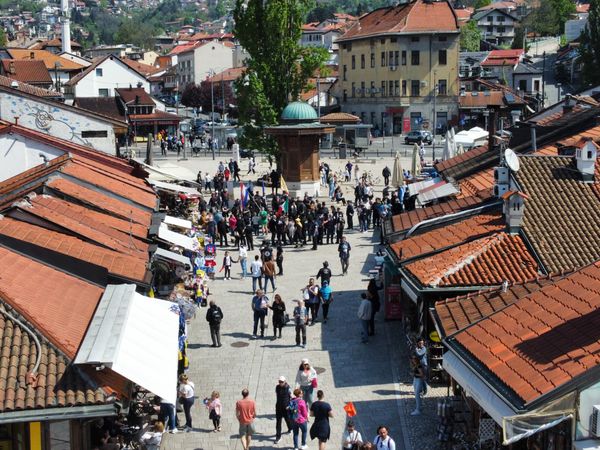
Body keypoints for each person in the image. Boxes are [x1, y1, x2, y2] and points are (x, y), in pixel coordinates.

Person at [275, 376, 293, 444]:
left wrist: (290, 406)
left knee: (287, 419)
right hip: (278, 407)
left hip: (286, 408)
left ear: (285, 381)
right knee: (278, 422)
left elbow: (291, 397)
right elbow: (277, 394)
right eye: (279, 382)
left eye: (282, 382)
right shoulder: (277, 387)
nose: (280, 383)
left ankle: (290, 428)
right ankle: (278, 437)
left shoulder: (288, 388)